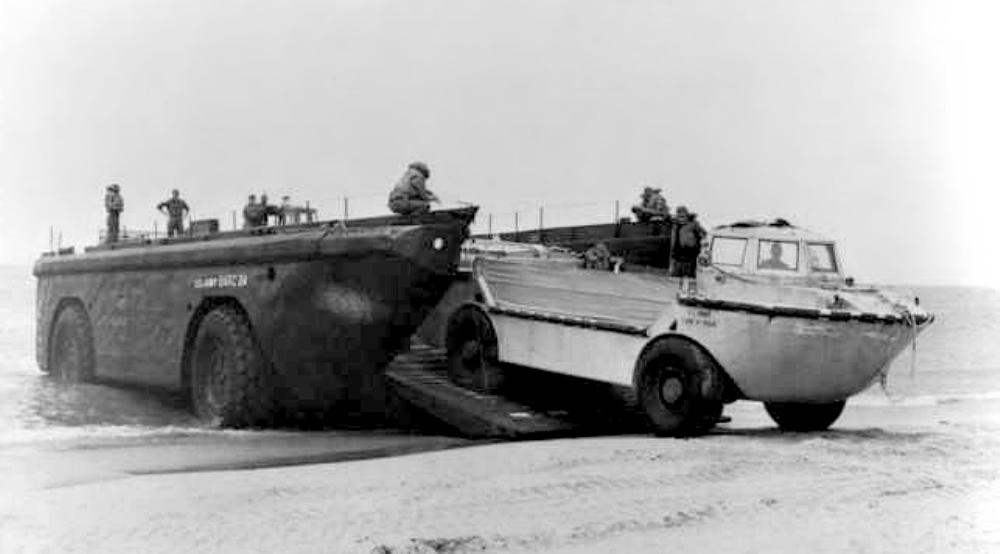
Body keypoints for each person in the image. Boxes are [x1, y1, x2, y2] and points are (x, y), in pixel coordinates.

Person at [669, 206, 705, 277]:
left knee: (690, 277)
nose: (681, 218)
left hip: (690, 257)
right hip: (677, 257)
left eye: (683, 216)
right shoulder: (674, 225)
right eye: (679, 215)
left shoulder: (694, 225)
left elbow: (703, 235)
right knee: (675, 278)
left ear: (687, 215)